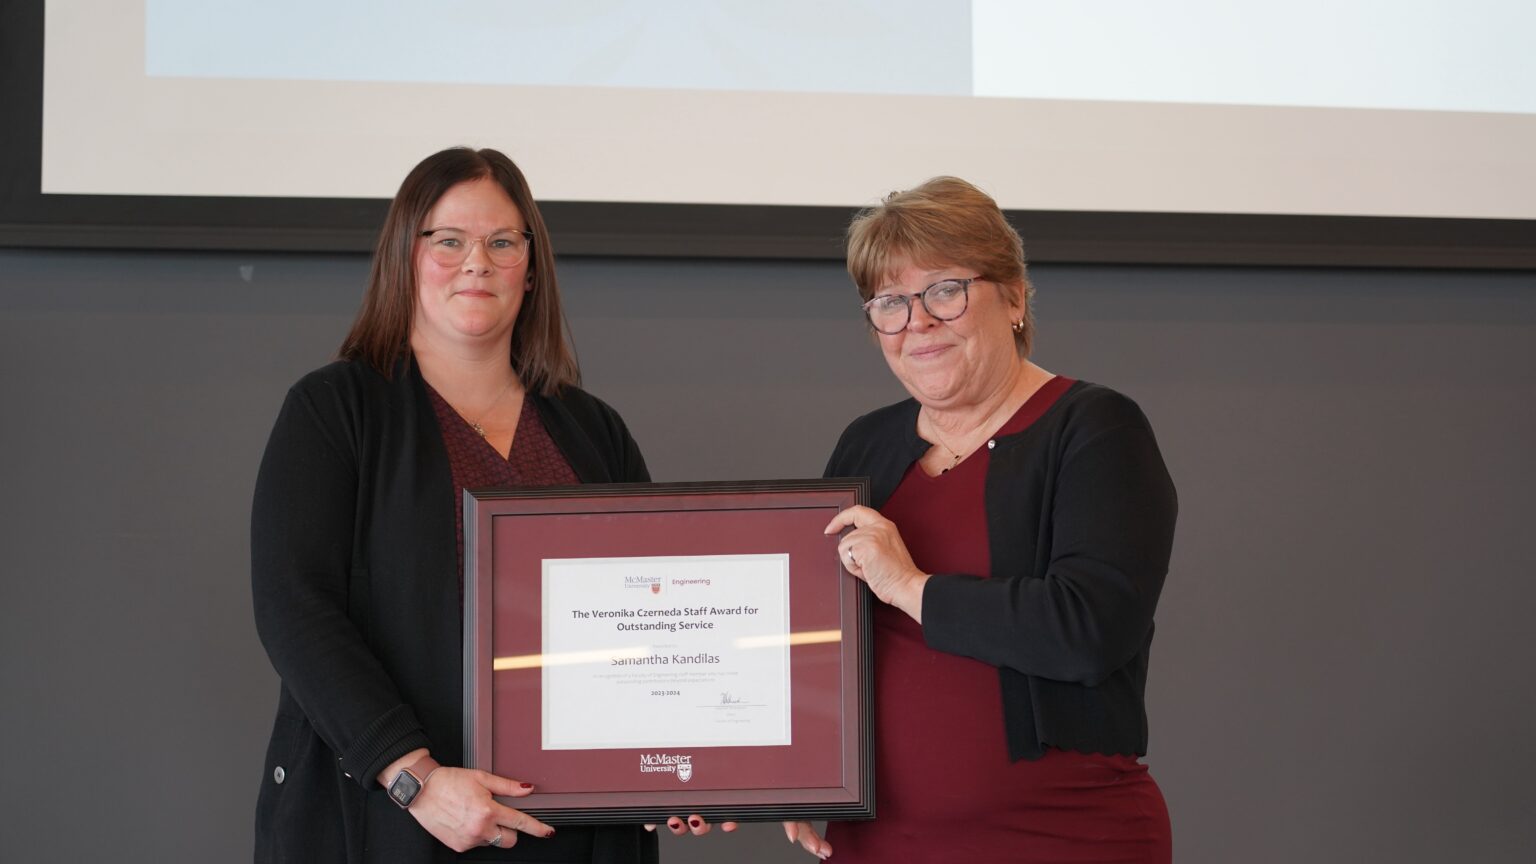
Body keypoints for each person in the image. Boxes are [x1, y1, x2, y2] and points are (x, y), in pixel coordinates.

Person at [251, 147, 660, 863]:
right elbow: (296, 609)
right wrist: (417, 780)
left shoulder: (595, 432)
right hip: (394, 817)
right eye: (449, 240)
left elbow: (653, 619)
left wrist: (677, 763)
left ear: (530, 270)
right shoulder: (335, 410)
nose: (477, 262)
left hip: (576, 826)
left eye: (503, 242)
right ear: (405, 258)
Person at [786, 177, 1178, 862]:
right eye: (890, 303)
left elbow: (1086, 630)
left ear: (1016, 296)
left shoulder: (1093, 428)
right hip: (878, 846)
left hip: (1059, 838)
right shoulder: (866, 445)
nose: (919, 323)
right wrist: (779, 772)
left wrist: (910, 586)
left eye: (945, 290)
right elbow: (821, 636)